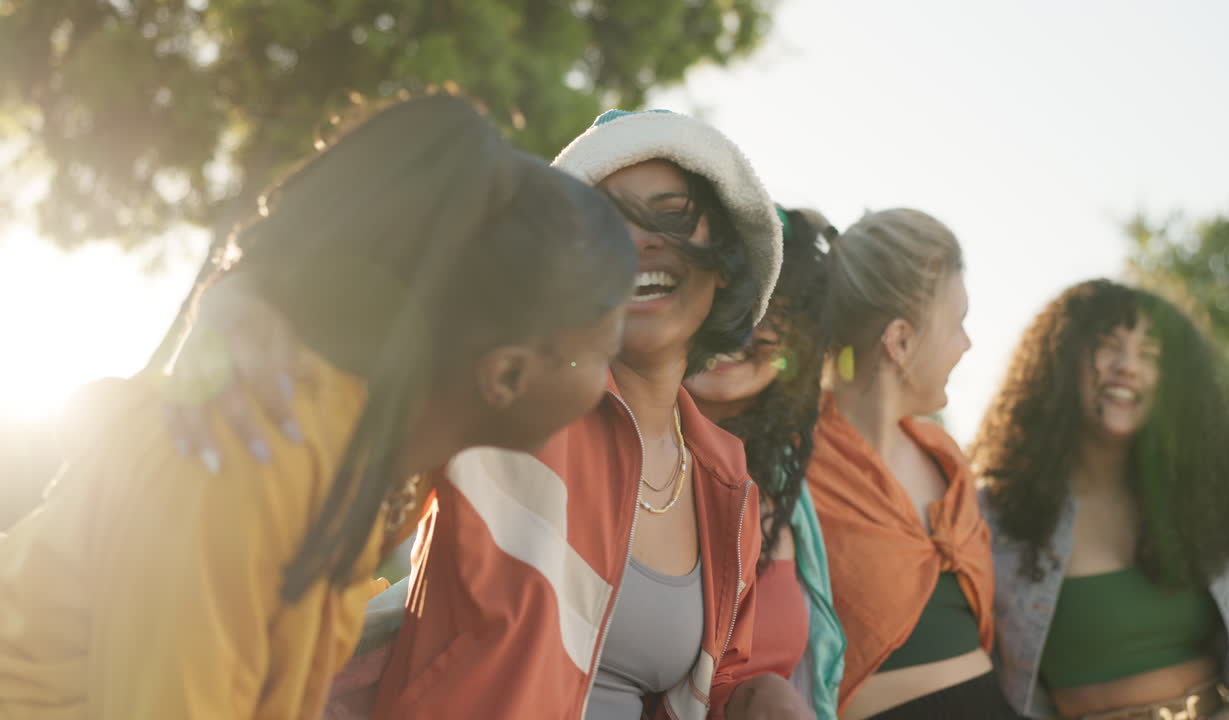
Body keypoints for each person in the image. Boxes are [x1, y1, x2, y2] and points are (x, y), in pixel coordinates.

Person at [0, 94, 638, 719]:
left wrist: (242, 289)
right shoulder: (248, 452)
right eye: (604, 351)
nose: (609, 377)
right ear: (507, 375)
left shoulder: (388, 456)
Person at [158, 108, 794, 719]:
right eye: (605, 222)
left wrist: (750, 696)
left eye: (672, 215)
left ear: (730, 261)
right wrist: (236, 303)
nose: (636, 242)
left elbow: (704, 680)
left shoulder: (728, 482)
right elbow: (359, 284)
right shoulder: (513, 394)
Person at [971, 279, 1229, 720]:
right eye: (1107, 346)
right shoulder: (999, 515)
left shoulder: (1200, 501)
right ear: (1061, 362)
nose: (1127, 367)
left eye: (1150, 354)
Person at [806, 209, 1018, 719]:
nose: (966, 344)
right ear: (900, 341)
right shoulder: (798, 463)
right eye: (957, 324)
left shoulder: (945, 458)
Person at [683, 206, 847, 720]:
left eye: (768, 310)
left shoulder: (786, 485)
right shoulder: (617, 458)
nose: (737, 331)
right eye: (721, 299)